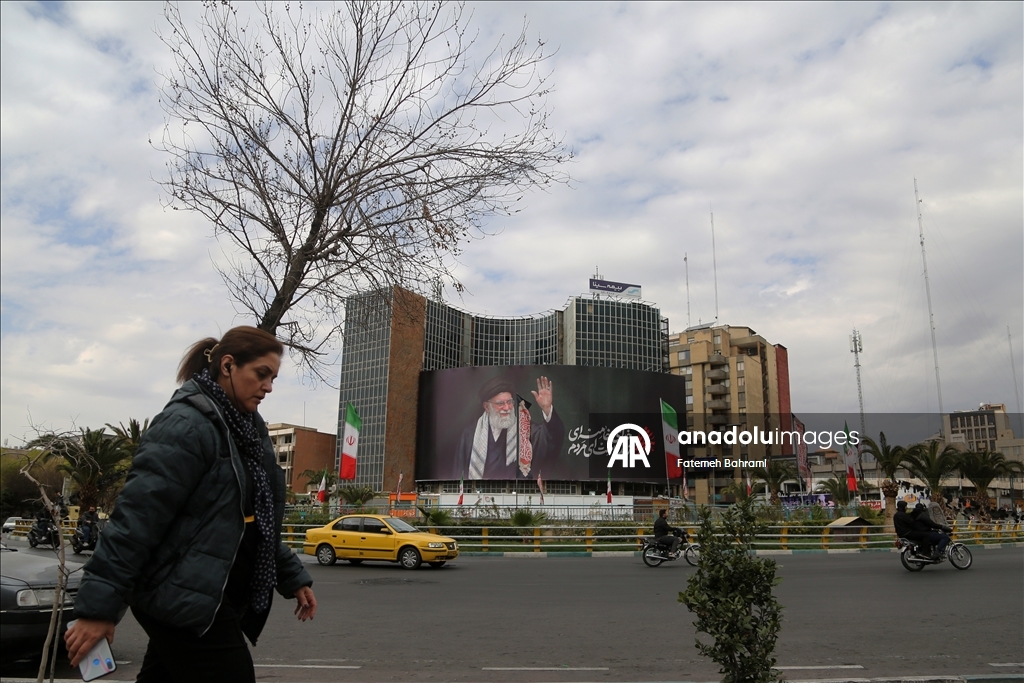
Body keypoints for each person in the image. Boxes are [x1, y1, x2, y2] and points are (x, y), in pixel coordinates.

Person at [65, 326, 317, 683]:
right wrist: (98, 609)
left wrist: (291, 576)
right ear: (227, 365)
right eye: (261, 374)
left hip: (207, 590)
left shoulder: (246, 430)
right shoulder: (186, 424)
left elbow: (250, 519)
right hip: (179, 593)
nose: (268, 387)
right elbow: (136, 520)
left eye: (273, 378)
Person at [454, 375, 565, 480]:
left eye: (510, 402)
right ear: (487, 406)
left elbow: (550, 438)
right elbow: (459, 473)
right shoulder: (470, 434)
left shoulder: (524, 428)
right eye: (500, 403)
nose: (507, 408)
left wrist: (547, 409)